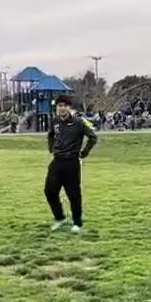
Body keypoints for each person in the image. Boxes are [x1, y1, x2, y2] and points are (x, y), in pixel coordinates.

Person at [45, 94, 98, 233]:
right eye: (59, 106)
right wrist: (51, 148)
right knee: (50, 191)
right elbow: (51, 134)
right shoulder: (55, 122)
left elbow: (93, 137)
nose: (62, 108)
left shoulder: (78, 122)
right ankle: (60, 218)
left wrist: (84, 153)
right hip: (57, 161)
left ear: (69, 108)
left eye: (65, 106)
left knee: (73, 194)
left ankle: (77, 222)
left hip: (71, 163)